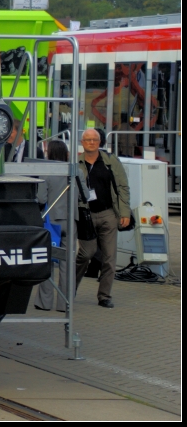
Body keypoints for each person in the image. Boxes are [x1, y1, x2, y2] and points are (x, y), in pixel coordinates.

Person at [74, 128, 131, 308]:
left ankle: (104, 295)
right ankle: (69, 290)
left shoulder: (111, 161)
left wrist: (124, 213)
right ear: (82, 143)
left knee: (109, 257)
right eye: (88, 140)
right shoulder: (76, 162)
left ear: (100, 143)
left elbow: (123, 187)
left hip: (108, 214)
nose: (91, 142)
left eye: (95, 140)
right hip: (85, 214)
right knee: (86, 254)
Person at [34, 140, 78, 311]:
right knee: (68, 263)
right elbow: (86, 195)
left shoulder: (47, 172)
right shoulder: (76, 171)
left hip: (51, 222)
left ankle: (44, 302)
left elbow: (41, 199)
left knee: (48, 261)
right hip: (71, 220)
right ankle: (65, 303)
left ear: (49, 153)